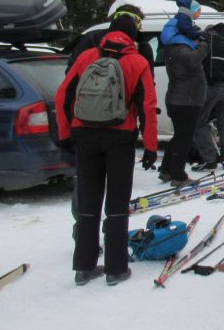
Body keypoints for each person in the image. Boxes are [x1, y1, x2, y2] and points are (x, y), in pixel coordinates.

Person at [56, 14, 158, 286]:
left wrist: (66, 133)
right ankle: (115, 268)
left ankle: (84, 267)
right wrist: (150, 147)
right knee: (117, 203)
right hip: (120, 137)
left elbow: (63, 95)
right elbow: (147, 106)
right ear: (132, 37)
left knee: (88, 202)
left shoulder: (87, 56)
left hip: (84, 135)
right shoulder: (138, 62)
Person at [159, 4, 209, 184]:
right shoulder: (180, 48)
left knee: (179, 136)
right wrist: (204, 44)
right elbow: (195, 59)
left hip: (181, 98)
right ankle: (178, 175)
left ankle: (166, 170)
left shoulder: (175, 47)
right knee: (184, 138)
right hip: (185, 100)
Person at [191, 23, 224, 173]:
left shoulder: (207, 39)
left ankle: (209, 159)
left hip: (212, 85)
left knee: (199, 120)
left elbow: (197, 58)